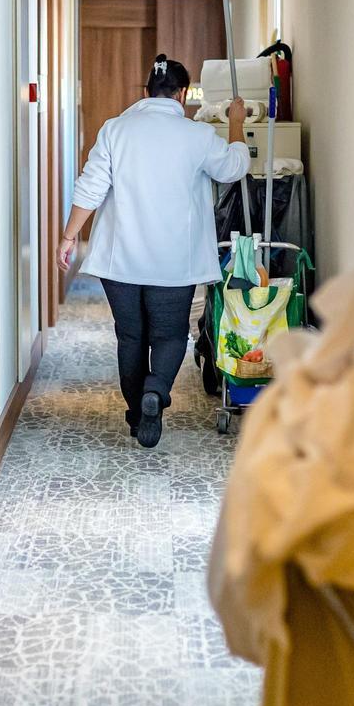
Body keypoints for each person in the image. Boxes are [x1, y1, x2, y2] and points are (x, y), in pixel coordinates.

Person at [58, 54, 249, 448]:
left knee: (130, 338)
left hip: (120, 262)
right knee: (169, 335)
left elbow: (90, 187)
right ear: (182, 96)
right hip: (173, 263)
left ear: (145, 93)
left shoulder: (115, 130)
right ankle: (155, 393)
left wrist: (68, 237)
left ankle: (135, 413)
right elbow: (233, 168)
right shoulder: (197, 136)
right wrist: (235, 122)